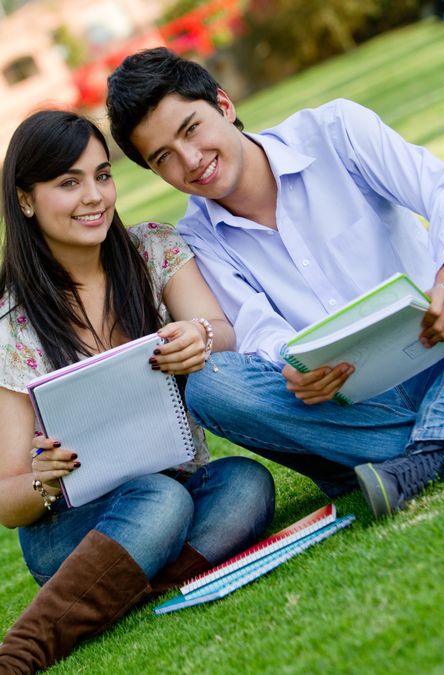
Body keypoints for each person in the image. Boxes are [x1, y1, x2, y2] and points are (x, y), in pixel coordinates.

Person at [106, 47, 444, 520]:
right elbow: (256, 330)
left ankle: (422, 454)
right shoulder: (196, 240)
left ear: (224, 106)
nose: (191, 160)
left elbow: (439, 188)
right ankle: (425, 438)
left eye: (192, 129)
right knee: (209, 385)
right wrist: (296, 366)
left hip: (438, 350)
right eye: (164, 156)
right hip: (347, 400)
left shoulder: (337, 132)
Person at [0, 110, 275, 674]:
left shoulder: (152, 249)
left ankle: (118, 591)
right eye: (68, 182)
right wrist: (41, 476)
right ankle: (23, 650)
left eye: (102, 175)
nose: (94, 196)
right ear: (26, 200)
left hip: (180, 483)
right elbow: (10, 502)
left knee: (247, 484)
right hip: (73, 529)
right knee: (159, 500)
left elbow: (220, 331)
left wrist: (195, 337)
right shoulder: (11, 323)